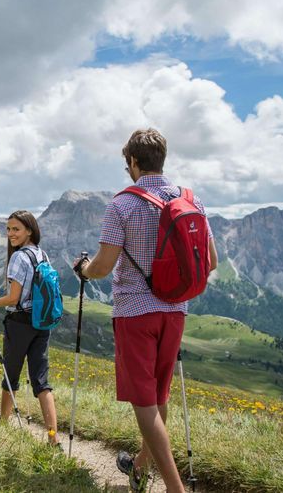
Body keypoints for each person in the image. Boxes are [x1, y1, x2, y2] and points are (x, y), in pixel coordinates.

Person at [75, 128, 217, 493]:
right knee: (158, 395)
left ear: (133, 161)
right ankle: (139, 468)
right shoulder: (192, 201)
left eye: (128, 164)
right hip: (176, 310)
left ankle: (174, 488)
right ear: (162, 159)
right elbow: (211, 261)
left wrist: (84, 269)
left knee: (143, 401)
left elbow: (103, 266)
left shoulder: (121, 205)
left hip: (135, 311)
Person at [0, 210, 60, 447]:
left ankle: (3, 422)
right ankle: (53, 439)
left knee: (10, 373)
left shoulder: (19, 257)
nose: (11, 234)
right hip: (41, 323)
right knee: (41, 380)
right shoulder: (42, 254)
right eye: (8, 229)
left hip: (19, 323)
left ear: (29, 231)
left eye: (16, 229)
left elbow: (13, 298)